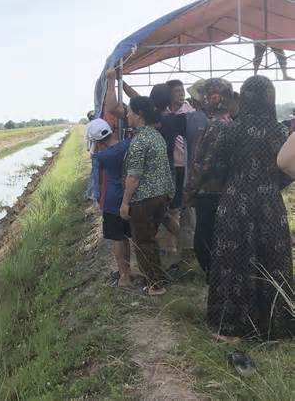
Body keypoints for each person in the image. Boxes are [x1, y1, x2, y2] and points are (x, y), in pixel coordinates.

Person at [206, 75, 293, 341]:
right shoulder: (280, 132)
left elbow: (215, 168)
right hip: (269, 203)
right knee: (272, 260)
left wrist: (234, 183)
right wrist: (269, 185)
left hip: (234, 201)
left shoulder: (229, 129)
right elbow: (288, 170)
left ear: (242, 98)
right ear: (271, 98)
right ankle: (275, 327)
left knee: (232, 261)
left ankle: (230, 326)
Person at [120, 96, 175, 295]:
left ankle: (155, 285)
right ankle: (158, 278)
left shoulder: (139, 141)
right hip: (160, 196)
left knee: (143, 243)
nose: (127, 115)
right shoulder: (156, 136)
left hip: (143, 201)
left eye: (129, 112)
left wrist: (125, 203)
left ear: (139, 114)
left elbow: (133, 177)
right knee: (150, 241)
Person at [184, 78, 235, 280]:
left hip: (208, 192)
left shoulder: (215, 126)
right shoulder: (231, 122)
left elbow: (202, 165)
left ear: (212, 98)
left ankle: (212, 277)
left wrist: (189, 190)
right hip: (227, 190)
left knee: (203, 239)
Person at [88, 118, 132, 287]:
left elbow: (97, 183)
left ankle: (123, 276)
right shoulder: (128, 145)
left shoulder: (101, 156)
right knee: (126, 237)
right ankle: (128, 271)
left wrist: (99, 201)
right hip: (130, 197)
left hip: (112, 201)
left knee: (117, 239)